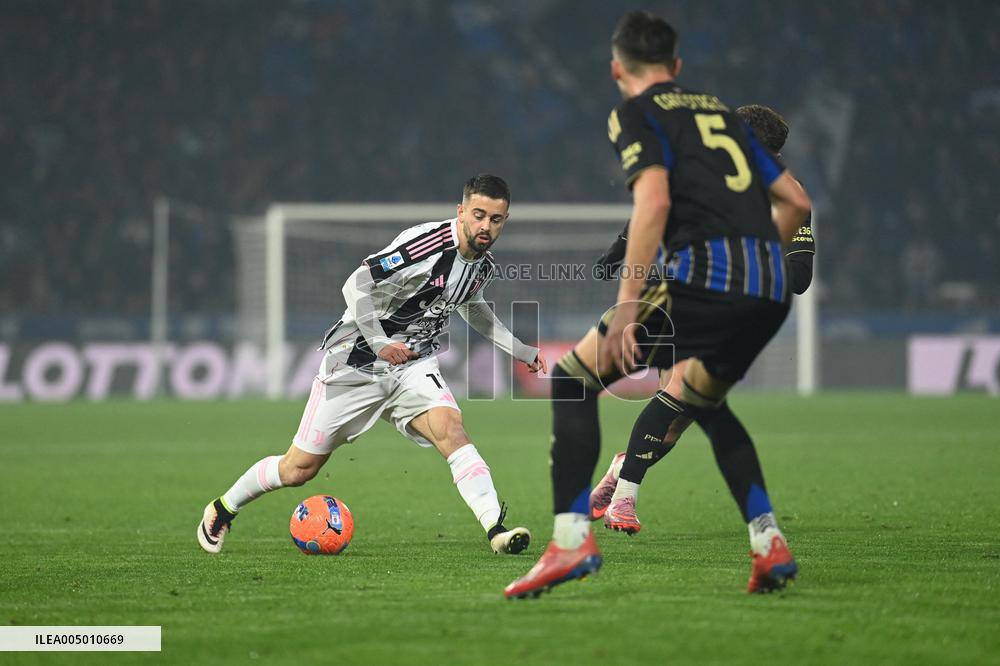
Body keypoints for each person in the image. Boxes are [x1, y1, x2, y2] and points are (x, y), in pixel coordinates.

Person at [505, 11, 811, 598]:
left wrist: (627, 303)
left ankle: (569, 545)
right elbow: (795, 201)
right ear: (677, 67)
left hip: (703, 279)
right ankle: (768, 543)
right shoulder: (720, 113)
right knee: (703, 403)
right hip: (765, 295)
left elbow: (653, 203)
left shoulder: (636, 114)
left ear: (617, 68)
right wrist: (759, 257)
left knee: (572, 379)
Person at [198, 174, 547, 556]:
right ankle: (221, 508)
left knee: (453, 431)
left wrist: (516, 348)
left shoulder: (482, 266)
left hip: (413, 365)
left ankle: (496, 528)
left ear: (505, 220)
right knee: (298, 469)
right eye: (478, 215)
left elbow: (470, 303)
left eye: (495, 219)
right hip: (356, 360)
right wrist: (380, 342)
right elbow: (355, 284)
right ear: (461, 211)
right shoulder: (426, 244)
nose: (485, 226)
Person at [589, 104, 817, 533]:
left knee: (676, 421)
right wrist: (615, 254)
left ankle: (623, 468)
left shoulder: (787, 197)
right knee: (679, 390)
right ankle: (624, 500)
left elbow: (801, 275)